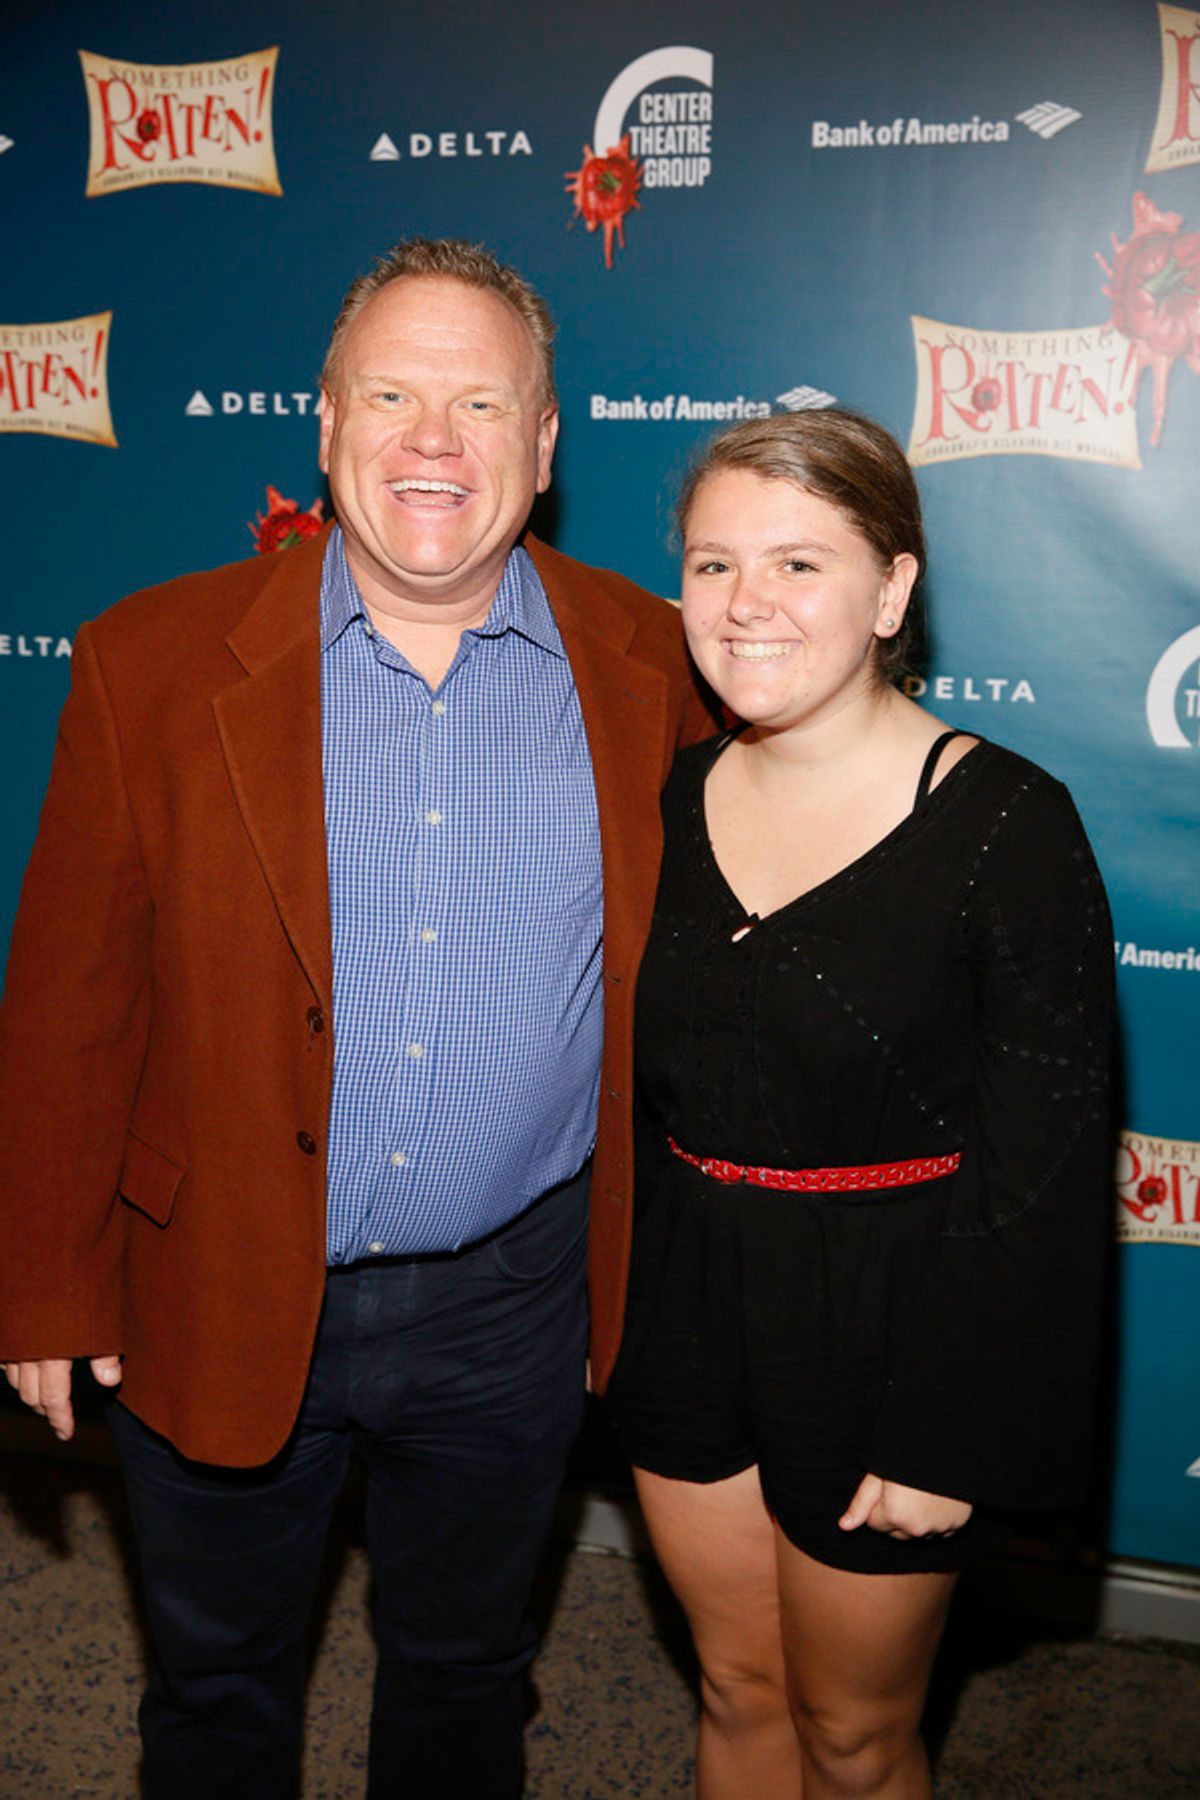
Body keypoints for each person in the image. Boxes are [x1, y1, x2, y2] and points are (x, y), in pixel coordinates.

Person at [0, 237, 712, 1799]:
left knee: (467, 1679)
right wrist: (49, 1278)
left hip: (511, 1303)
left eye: (480, 401)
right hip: (222, 1272)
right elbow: (70, 999)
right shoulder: (149, 659)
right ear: (324, 426)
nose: (433, 440)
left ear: (545, 443)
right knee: (215, 1689)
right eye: (391, 393)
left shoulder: (656, 663)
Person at [607, 410, 1114, 1798]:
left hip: (901, 1329)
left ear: (893, 589)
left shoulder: (1007, 822)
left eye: (798, 564)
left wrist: (955, 1427)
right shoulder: (673, 791)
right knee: (739, 1687)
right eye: (713, 566)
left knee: (854, 1734)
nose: (745, 605)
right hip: (689, 1309)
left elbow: (1045, 1175)